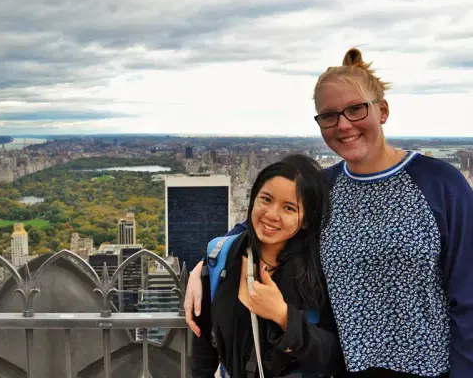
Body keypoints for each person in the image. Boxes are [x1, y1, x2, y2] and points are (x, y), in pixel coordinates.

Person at [186, 47, 473, 377]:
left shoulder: (440, 183)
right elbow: (262, 226)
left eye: (355, 109)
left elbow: (467, 295)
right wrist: (203, 269)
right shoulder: (322, 188)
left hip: (428, 370)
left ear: (382, 111)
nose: (343, 125)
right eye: (329, 115)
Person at [191, 154, 344, 377]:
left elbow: (335, 357)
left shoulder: (322, 270)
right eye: (266, 199)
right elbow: (204, 345)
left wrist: (284, 317)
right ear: (253, 199)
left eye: (289, 208)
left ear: (307, 220)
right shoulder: (220, 256)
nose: (272, 215)